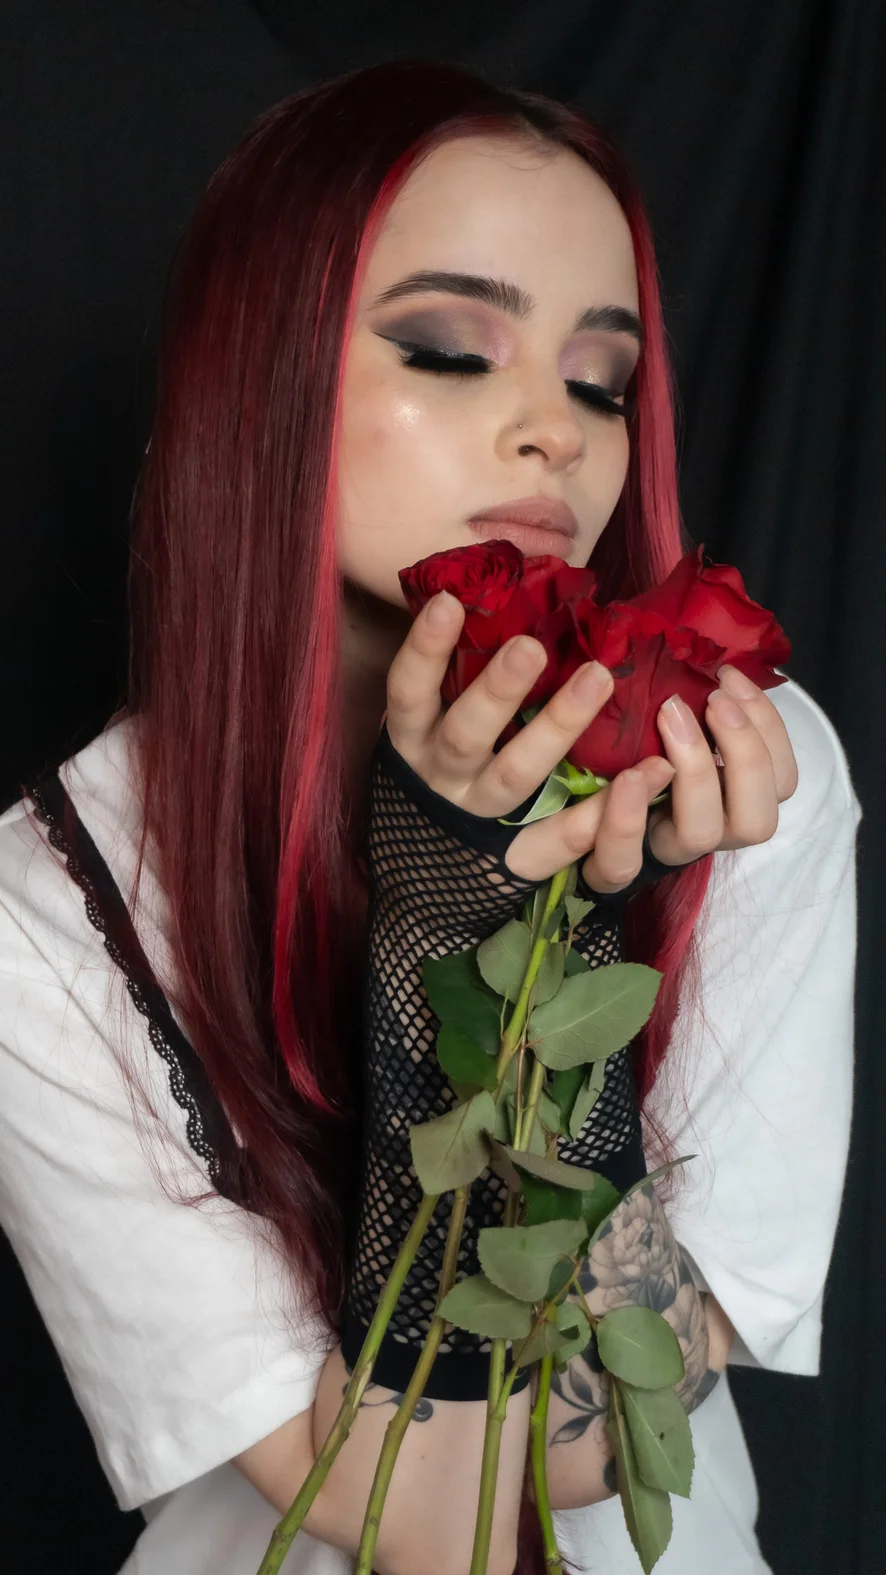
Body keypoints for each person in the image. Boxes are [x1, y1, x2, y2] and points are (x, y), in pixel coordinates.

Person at [0, 59, 860, 1575]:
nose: (556, 432)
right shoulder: (48, 903)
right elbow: (425, 1518)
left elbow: (597, 1448)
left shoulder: (743, 764)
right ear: (261, 377)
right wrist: (440, 937)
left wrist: (563, 930)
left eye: (600, 378)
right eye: (454, 350)